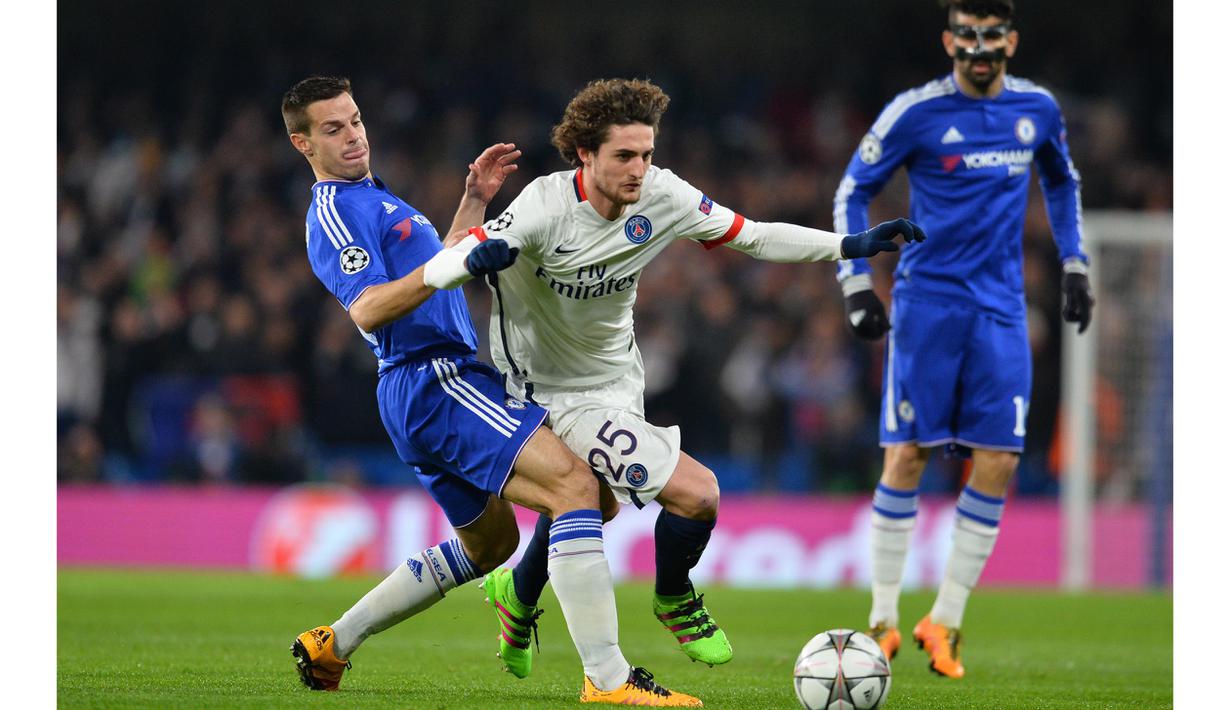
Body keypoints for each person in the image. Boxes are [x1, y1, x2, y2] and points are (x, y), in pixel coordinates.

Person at [450, 78, 924, 680]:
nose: (639, 169)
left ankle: (517, 595)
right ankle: (673, 597)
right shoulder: (542, 209)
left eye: (647, 154)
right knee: (698, 495)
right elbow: (448, 259)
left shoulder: (663, 194)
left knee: (592, 503)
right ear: (584, 154)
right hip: (548, 394)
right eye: (624, 155)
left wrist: (850, 245)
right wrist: (475, 244)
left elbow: (753, 235)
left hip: (619, 379)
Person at [281, 75, 702, 707]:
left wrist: (473, 204)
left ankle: (332, 643)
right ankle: (609, 679)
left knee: (493, 544)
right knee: (577, 488)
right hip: (436, 378)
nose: (353, 136)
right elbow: (367, 309)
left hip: (422, 391)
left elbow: (447, 262)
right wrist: (445, 265)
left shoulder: (375, 196)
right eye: (333, 128)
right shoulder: (338, 209)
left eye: (357, 120)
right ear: (302, 142)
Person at [832, 0, 1095, 679]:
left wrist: (1073, 261)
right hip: (928, 306)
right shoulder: (913, 112)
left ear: (1011, 39)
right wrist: (857, 283)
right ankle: (882, 620)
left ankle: (943, 620)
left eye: (991, 36)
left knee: (1000, 460)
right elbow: (851, 191)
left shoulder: (1037, 108)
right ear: (948, 40)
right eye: (967, 36)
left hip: (1001, 308)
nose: (978, 48)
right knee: (907, 456)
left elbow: (1062, 183)